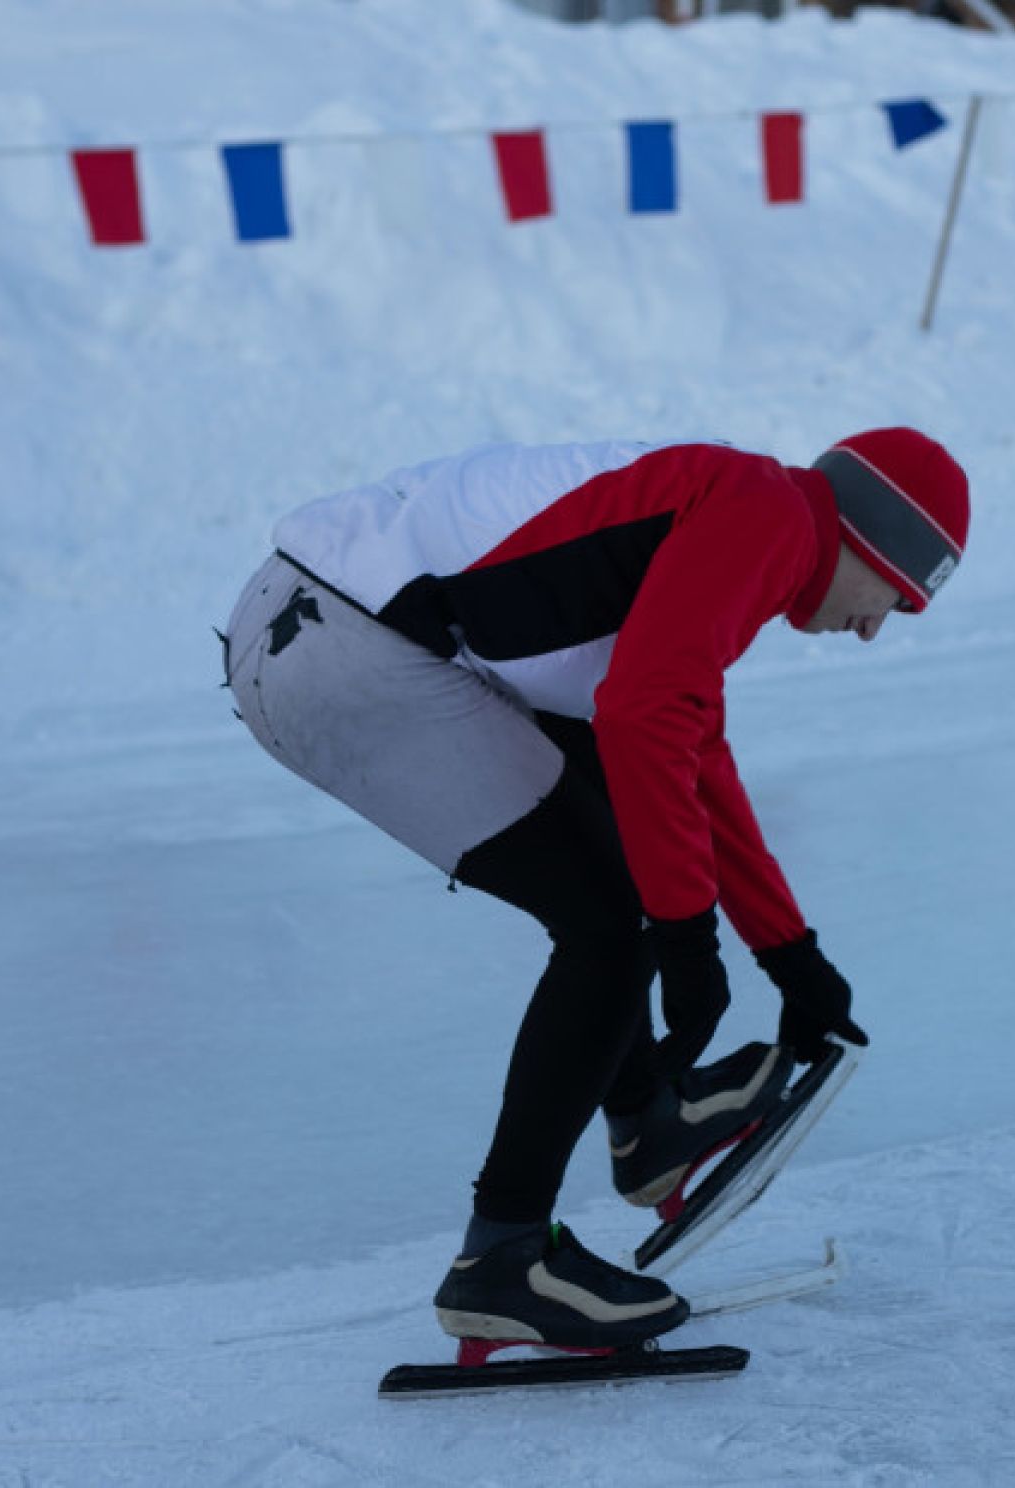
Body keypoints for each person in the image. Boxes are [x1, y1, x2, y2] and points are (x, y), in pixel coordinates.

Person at [220, 428, 970, 1352]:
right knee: (610, 927)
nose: (874, 627)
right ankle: (504, 1257)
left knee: (620, 859)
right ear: (872, 541)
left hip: (316, 625)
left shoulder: (736, 513)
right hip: (347, 642)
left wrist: (789, 954)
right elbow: (647, 712)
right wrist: (687, 941)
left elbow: (691, 748)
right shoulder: (773, 517)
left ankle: (648, 1121)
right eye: (896, 599)